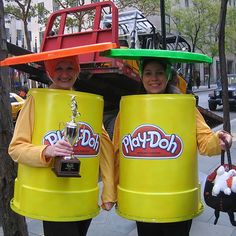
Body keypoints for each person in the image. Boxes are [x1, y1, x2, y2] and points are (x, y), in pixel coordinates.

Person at [112, 58, 233, 236]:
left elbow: (205, 142)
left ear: (168, 75)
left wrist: (220, 140)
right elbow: (117, 149)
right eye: (148, 73)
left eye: (159, 72)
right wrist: (114, 190)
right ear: (142, 77)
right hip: (143, 197)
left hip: (177, 198)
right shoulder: (129, 108)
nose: (154, 78)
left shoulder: (185, 105)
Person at [9, 56, 116, 236]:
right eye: (58, 69)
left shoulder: (88, 102)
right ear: (50, 72)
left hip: (83, 197)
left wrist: (109, 191)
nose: (65, 74)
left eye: (70, 68)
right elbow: (16, 148)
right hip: (52, 199)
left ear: (77, 71)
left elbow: (104, 148)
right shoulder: (36, 100)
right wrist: (46, 151)